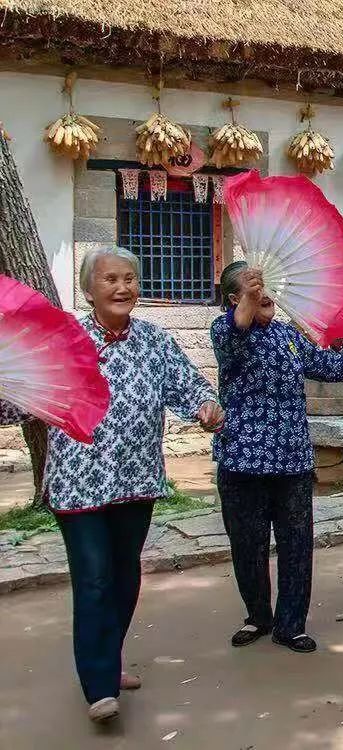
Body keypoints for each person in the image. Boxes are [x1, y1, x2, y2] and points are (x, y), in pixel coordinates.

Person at [48, 246, 223, 724]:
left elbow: (190, 387)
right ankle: (99, 686)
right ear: (88, 290)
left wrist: (207, 407)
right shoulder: (66, 341)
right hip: (78, 483)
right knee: (94, 578)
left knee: (125, 576)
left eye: (129, 279)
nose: (122, 287)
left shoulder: (153, 340)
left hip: (136, 480)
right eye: (110, 279)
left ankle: (107, 658)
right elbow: (26, 399)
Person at [212, 263, 343, 653]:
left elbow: (325, 365)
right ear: (235, 298)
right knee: (248, 546)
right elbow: (235, 330)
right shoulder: (225, 331)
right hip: (242, 462)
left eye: (265, 285)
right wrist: (248, 300)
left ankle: (291, 625)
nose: (264, 292)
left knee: (297, 545)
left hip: (292, 460)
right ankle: (258, 616)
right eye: (253, 287)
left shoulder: (287, 335)